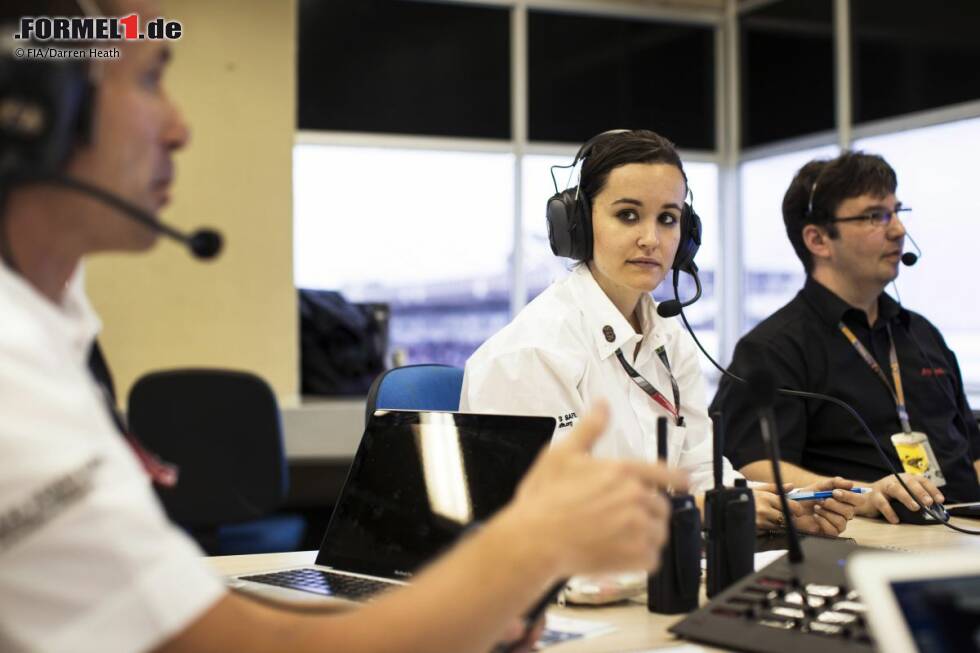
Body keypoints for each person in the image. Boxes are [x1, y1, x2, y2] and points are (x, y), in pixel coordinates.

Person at [0, 3, 689, 652]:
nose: (179, 126)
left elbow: (221, 623)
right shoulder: (13, 368)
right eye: (150, 77)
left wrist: (470, 606)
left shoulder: (57, 336)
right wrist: (523, 552)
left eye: (669, 218)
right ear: (34, 115)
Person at [461, 129, 861, 536]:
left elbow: (703, 470)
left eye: (668, 219)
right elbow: (542, 515)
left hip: (663, 566)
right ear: (578, 224)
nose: (651, 239)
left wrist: (783, 509)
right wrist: (702, 511)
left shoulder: (670, 341)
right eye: (628, 215)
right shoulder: (529, 355)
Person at [711, 150, 980, 523]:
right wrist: (863, 495)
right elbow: (753, 465)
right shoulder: (772, 348)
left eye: (897, 212)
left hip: (965, 528)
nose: (898, 230)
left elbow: (971, 447)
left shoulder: (921, 334)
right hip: (877, 536)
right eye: (875, 216)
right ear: (819, 240)